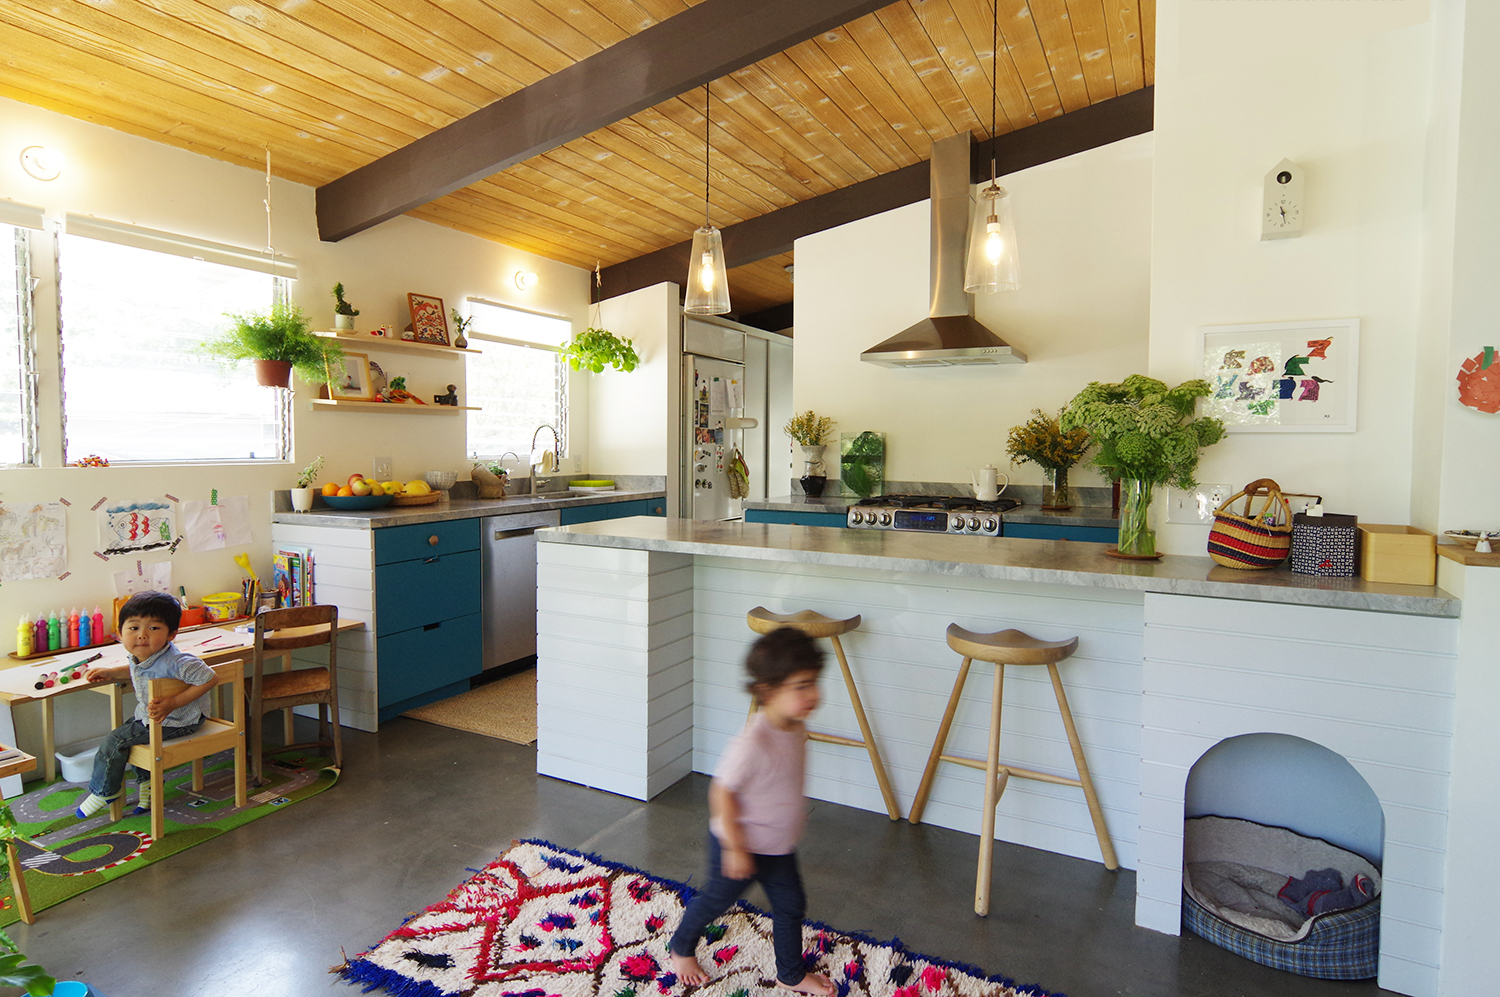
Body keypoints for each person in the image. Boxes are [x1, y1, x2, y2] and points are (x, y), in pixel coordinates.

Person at [668, 627, 833, 996]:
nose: (815, 694)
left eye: (815, 682)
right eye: (802, 685)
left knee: (792, 905)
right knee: (716, 899)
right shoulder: (752, 743)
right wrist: (734, 846)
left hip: (778, 846)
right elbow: (722, 791)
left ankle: (789, 974)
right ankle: (681, 946)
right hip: (741, 845)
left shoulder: (795, 726)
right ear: (768, 691)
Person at [73, 591, 218, 819]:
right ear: (120, 633)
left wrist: (174, 702)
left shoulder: (178, 662)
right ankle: (148, 789)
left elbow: (210, 677)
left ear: (172, 634)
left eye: (153, 628)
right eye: (133, 628)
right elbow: (134, 670)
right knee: (130, 742)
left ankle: (104, 792)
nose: (142, 636)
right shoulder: (142, 656)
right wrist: (112, 672)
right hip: (153, 716)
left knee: (115, 741)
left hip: (180, 720)